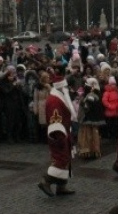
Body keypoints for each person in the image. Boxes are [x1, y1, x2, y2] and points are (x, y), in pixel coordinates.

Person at [37, 67, 76, 197]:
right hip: (59, 134)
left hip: (64, 132)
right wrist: (60, 136)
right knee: (60, 158)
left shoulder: (59, 97)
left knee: (65, 158)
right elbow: (55, 120)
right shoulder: (54, 100)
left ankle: (61, 186)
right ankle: (45, 181)